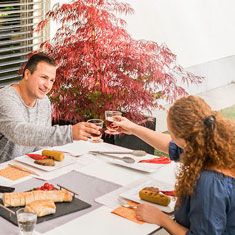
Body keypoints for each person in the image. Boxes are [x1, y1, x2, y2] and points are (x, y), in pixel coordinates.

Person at [114, 96, 235, 235]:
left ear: (184, 141)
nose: (171, 139)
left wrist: (161, 219)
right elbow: (170, 146)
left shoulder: (210, 183)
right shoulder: (216, 146)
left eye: (171, 135)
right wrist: (133, 128)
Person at [0, 52, 101, 163]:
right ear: (27, 74)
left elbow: (41, 144)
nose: (48, 86)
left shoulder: (44, 101)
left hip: (24, 168)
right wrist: (69, 133)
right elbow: (18, 133)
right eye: (44, 77)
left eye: (52, 80)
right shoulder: (5, 98)